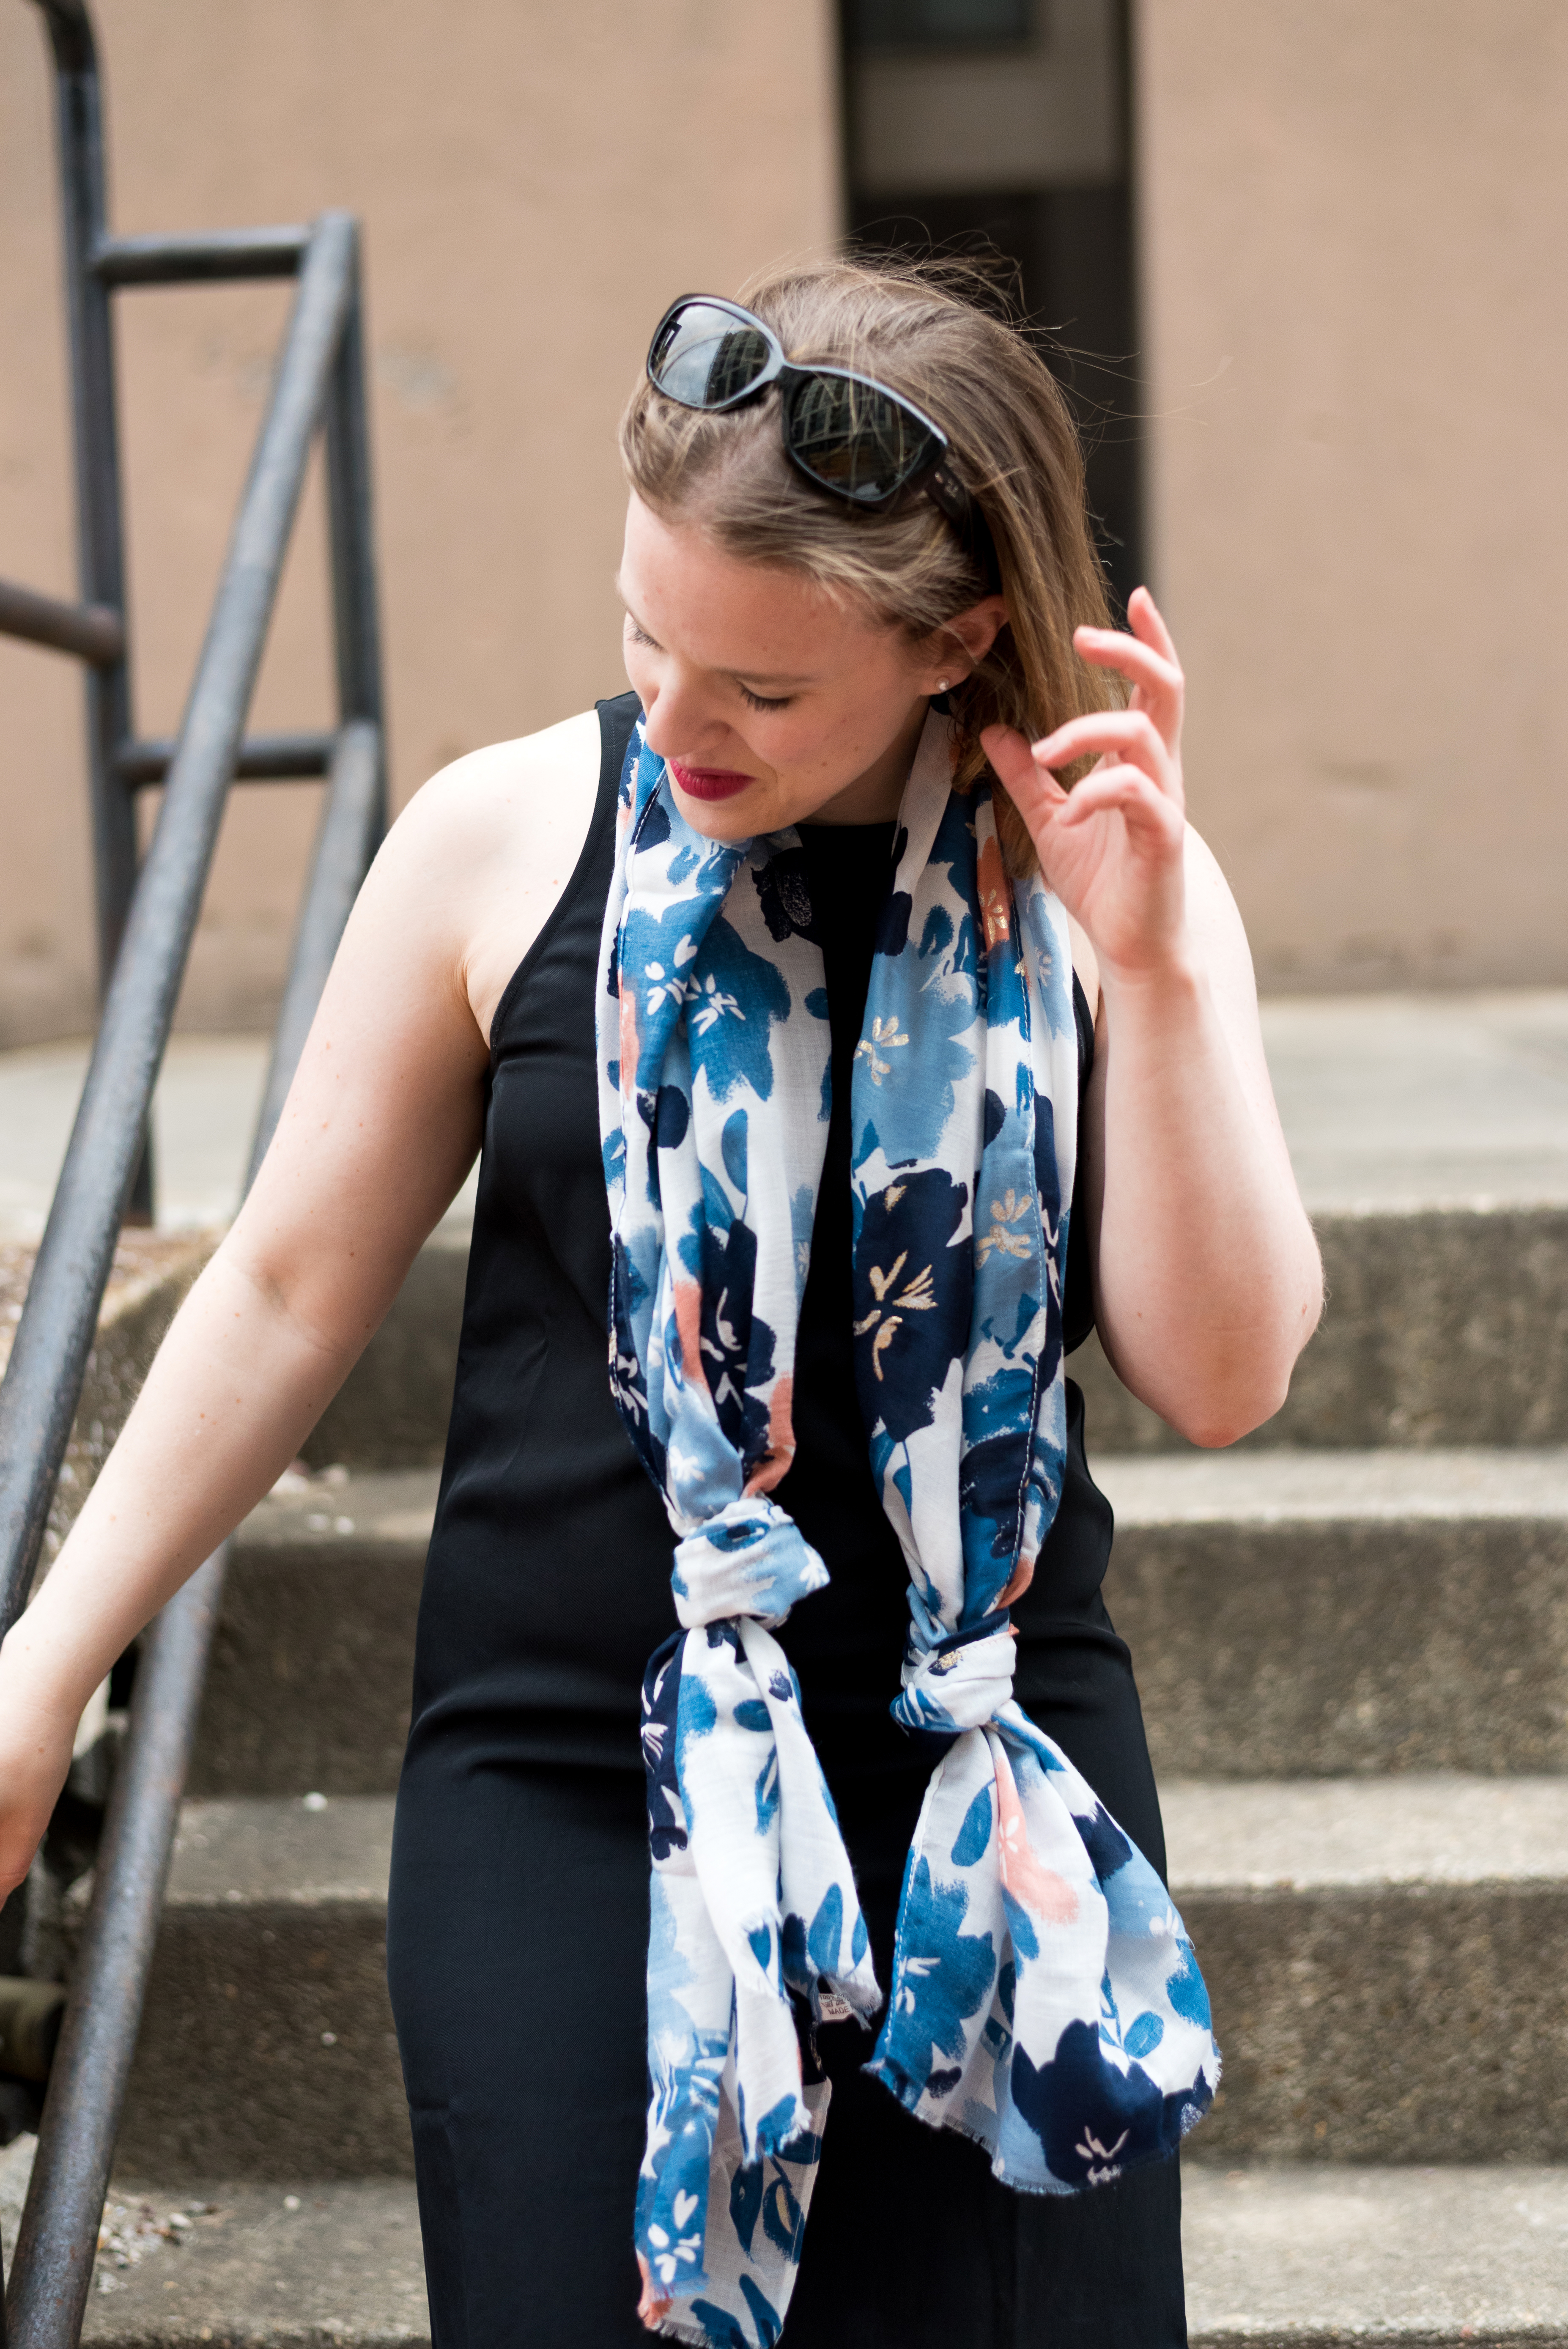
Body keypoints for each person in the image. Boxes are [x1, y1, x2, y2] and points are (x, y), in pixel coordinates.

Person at [0, 256, 1322, 2347]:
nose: (679, 729)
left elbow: (1225, 1372)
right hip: (564, 1791)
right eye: (646, 637)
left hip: (983, 1804)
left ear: (954, 636)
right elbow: (272, 1292)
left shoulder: (1106, 881)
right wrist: (39, 1667)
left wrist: (1149, 973)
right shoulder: (502, 837)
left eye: (766, 694)